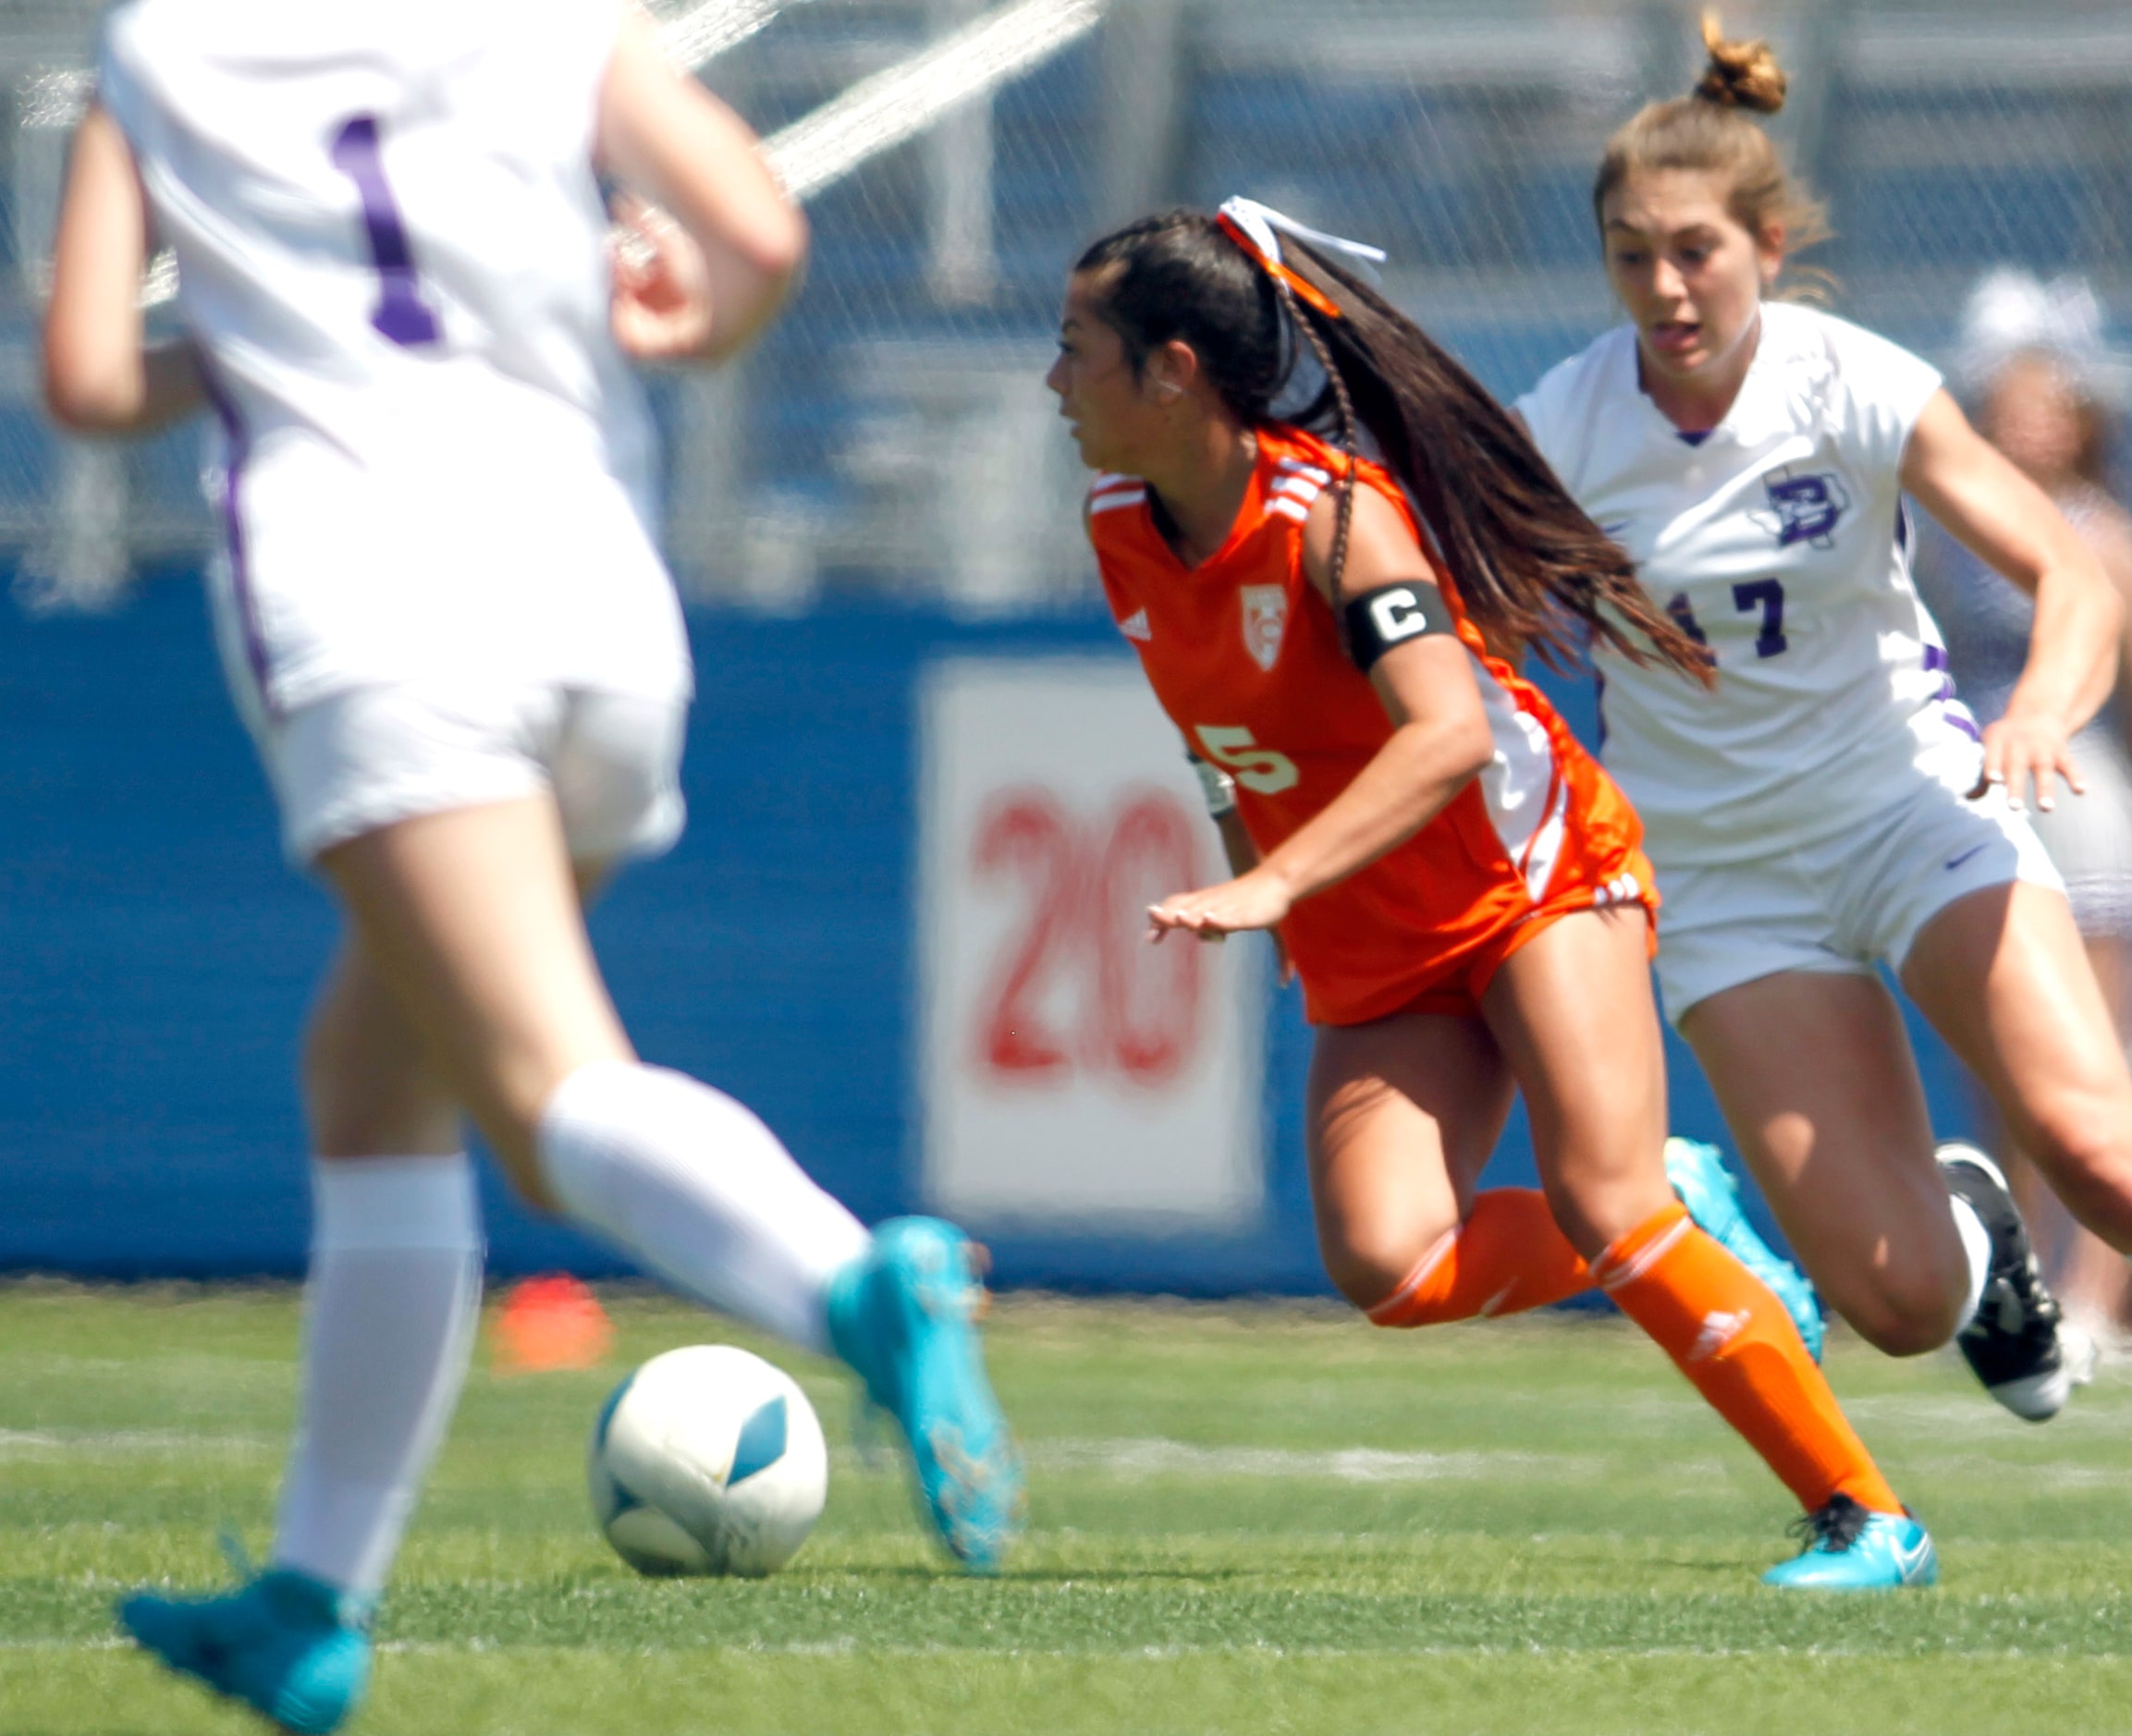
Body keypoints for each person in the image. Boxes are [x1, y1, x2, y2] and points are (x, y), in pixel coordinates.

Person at [45, 1, 1021, 1728]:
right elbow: (759, 236)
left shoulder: (162, 46)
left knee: (544, 1092)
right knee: (367, 1073)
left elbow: (87, 375)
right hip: (598, 603)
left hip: (384, 609)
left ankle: (855, 1276)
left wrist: (268, 346)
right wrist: (682, 316)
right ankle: (309, 1601)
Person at [1048, 198, 1935, 1591]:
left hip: (1529, 879)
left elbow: (1449, 734)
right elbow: (1208, 719)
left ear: (1172, 371)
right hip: (1375, 933)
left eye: (1073, 349)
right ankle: (1687, 1214)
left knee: (1602, 1202)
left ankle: (1870, 1520)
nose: (1052, 385)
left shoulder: (1337, 523)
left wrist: (1276, 875)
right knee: (1387, 1266)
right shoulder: (1118, 522)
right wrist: (1252, 863)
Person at [1510, 12, 2132, 1424]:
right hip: (1728, 884)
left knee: (2103, 1158)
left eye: (1694, 252)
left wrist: (2036, 703)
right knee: (1900, 1302)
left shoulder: (1850, 380)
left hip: (1907, 809)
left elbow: (2066, 571)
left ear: (1767, 248)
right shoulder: (1560, 427)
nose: (1663, 289)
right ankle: (1975, 1240)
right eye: (1630, 256)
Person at [1915, 270, 2132, 1352]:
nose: (2027, 419)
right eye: (2009, 402)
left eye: (2048, 402)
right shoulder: (1952, 521)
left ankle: (2093, 1299)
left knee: (2096, 1046)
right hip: (1974, 775)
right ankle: (2027, 1273)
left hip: (2078, 778)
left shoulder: (2098, 530)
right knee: (2001, 1050)